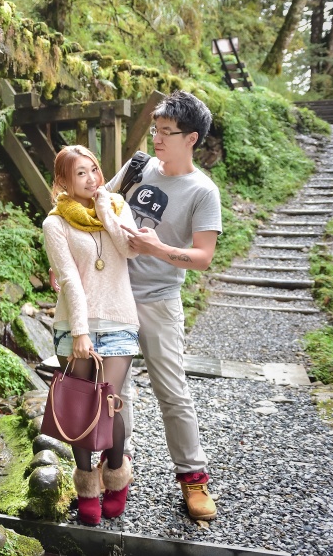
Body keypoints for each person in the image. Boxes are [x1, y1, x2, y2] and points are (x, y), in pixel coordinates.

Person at [106, 90, 221, 522]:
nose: (157, 138)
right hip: (113, 295)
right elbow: (100, 204)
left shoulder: (202, 192)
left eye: (167, 132)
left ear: (191, 138)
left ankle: (193, 480)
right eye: (155, 129)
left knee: (172, 392)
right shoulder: (139, 165)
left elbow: (204, 257)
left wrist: (157, 249)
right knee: (116, 392)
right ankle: (118, 465)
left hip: (159, 302)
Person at [42, 145, 140, 525]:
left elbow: (128, 250)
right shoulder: (55, 223)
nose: (90, 179)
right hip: (74, 327)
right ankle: (87, 488)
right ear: (63, 181)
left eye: (94, 170)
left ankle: (116, 477)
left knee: (109, 403)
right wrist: (80, 332)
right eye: (80, 173)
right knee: (82, 407)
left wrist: (104, 211)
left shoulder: (116, 206)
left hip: (118, 321)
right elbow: (69, 280)